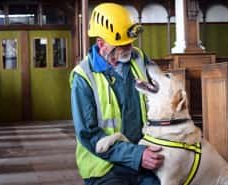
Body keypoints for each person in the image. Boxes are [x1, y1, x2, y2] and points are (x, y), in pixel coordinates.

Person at [70, 3, 164, 185]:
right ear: (101, 44)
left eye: (129, 42)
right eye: (120, 45)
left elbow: (161, 93)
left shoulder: (139, 58)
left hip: (145, 155)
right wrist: (136, 156)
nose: (128, 47)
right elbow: (88, 134)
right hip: (105, 166)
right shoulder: (82, 77)